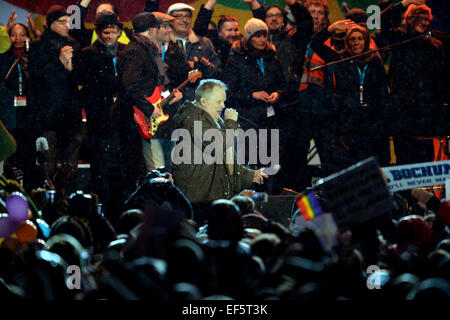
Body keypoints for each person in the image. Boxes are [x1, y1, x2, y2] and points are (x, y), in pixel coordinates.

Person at [115, 12, 181, 195]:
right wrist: (150, 109)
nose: (164, 31)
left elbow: (150, 86)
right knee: (138, 168)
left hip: (140, 116)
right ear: (152, 30)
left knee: (146, 166)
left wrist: (167, 97)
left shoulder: (147, 49)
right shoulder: (136, 51)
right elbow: (130, 86)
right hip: (132, 117)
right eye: (160, 27)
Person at [171, 79, 268, 203]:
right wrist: (231, 123)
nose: (223, 106)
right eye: (218, 102)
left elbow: (224, 163)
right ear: (204, 101)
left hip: (208, 196)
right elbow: (216, 146)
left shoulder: (212, 120)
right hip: (199, 199)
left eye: (223, 101)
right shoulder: (193, 120)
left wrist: (250, 175)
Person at [310, 23, 391, 168]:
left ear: (366, 41)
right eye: (352, 39)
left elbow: (382, 92)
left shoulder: (375, 62)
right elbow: (315, 44)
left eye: (360, 39)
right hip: (348, 120)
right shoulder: (340, 60)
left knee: (371, 162)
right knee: (351, 163)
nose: (356, 43)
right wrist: (332, 27)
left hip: (371, 120)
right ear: (347, 42)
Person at [377, 1, 449, 162]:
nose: (424, 22)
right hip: (402, 109)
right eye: (419, 18)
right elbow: (378, 19)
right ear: (408, 19)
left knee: (425, 159)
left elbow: (441, 82)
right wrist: (403, 3)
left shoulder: (435, 45)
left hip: (426, 111)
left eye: (426, 19)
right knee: (404, 158)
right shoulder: (399, 38)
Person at [74, 14, 125, 210]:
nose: (110, 35)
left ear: (120, 32)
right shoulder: (89, 53)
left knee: (118, 162)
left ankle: (116, 203)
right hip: (100, 115)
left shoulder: (126, 51)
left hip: (120, 115)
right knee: (100, 164)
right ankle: (100, 202)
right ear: (99, 33)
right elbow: (83, 81)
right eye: (106, 32)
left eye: (114, 32)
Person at [29, 5, 82, 180]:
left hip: (70, 110)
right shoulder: (38, 45)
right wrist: (60, 63)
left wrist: (70, 68)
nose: (67, 25)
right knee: (48, 157)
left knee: (71, 158)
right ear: (50, 23)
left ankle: (67, 197)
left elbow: (81, 78)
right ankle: (48, 197)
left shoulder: (73, 44)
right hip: (48, 111)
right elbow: (37, 78)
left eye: (68, 22)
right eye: (62, 22)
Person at [167, 3, 221, 100]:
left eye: (188, 16)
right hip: (173, 101)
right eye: (179, 16)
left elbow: (218, 72)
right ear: (170, 20)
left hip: (200, 100)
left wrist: (206, 67)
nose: (184, 20)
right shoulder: (165, 44)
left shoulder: (204, 43)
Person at [193, 0, 242, 66]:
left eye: (236, 30)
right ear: (219, 32)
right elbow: (199, 29)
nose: (233, 34)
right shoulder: (212, 41)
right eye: (229, 30)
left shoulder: (242, 43)